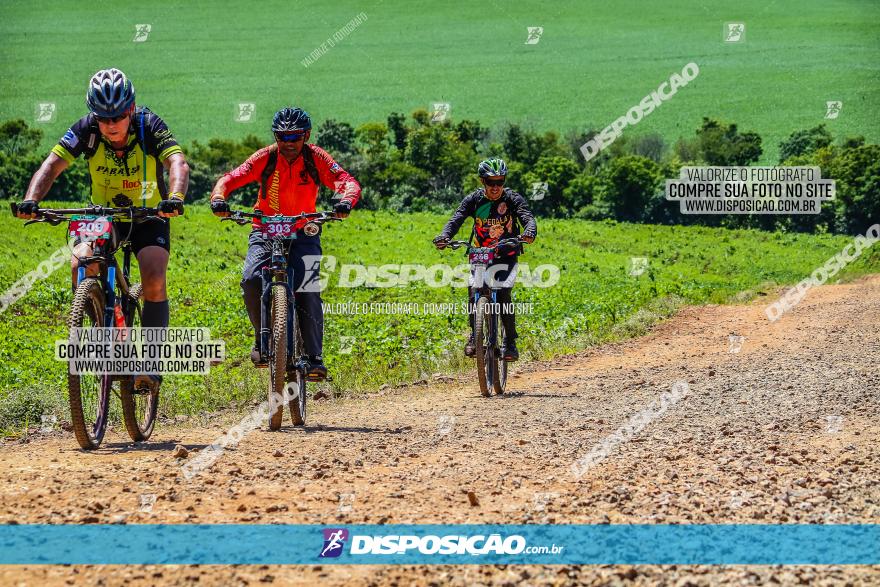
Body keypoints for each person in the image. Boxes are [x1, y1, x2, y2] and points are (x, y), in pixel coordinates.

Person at [15, 67, 189, 390]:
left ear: (131, 109)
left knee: (152, 273)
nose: (111, 125)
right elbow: (51, 165)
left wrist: (175, 197)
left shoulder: (149, 125)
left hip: (149, 213)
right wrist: (31, 199)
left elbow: (177, 162)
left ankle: (150, 363)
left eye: (118, 116)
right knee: (79, 260)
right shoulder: (86, 130)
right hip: (103, 215)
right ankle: (97, 326)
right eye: (103, 117)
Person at [210, 106, 360, 380]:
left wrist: (345, 202)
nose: (289, 143)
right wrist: (219, 198)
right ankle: (262, 339)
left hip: (305, 230)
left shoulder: (316, 158)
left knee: (309, 288)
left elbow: (345, 181)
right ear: (275, 136)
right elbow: (231, 178)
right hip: (265, 229)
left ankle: (314, 357)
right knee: (250, 280)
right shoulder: (266, 157)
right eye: (282, 137)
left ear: (307, 135)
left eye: (295, 137)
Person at [433, 158, 537, 361]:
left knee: (504, 293)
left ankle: (510, 343)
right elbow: (457, 218)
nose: (496, 187)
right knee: (474, 291)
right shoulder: (473, 200)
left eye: (500, 181)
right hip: (481, 253)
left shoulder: (512, 199)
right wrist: (445, 236)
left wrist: (530, 231)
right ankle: (475, 335)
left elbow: (527, 217)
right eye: (491, 182)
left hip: (506, 253)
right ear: (483, 181)